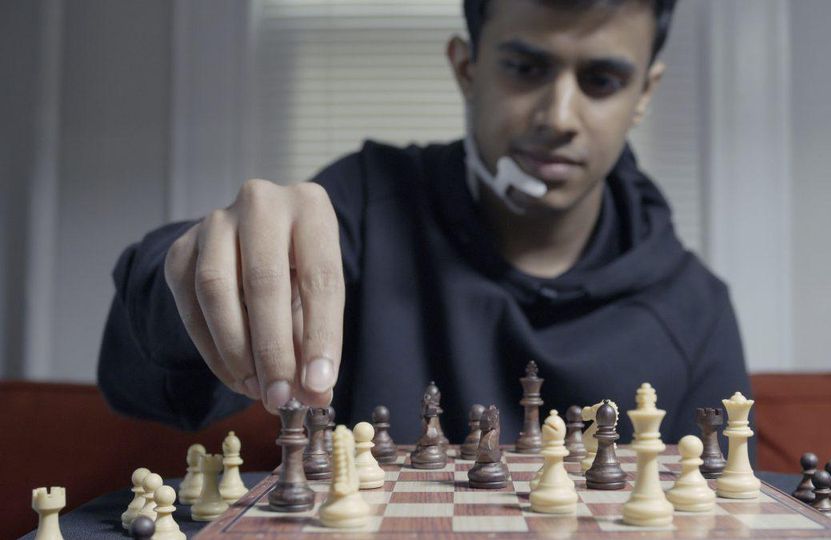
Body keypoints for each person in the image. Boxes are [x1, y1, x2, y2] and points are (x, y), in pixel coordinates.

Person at [98, 0, 751, 445]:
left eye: (602, 80)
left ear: (645, 95)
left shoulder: (697, 311)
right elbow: (145, 389)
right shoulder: (362, 203)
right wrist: (196, 269)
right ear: (467, 68)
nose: (558, 116)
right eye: (525, 68)